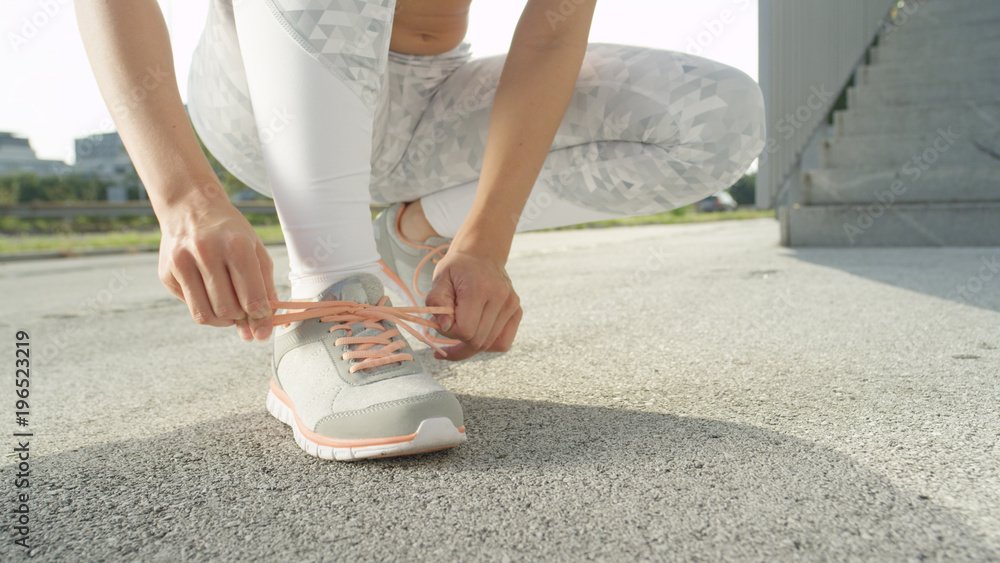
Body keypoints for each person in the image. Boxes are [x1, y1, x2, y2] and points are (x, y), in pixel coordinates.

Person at [76, 0, 765, 461]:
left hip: (428, 100)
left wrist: (481, 243)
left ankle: (411, 233)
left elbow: (554, 25)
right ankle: (332, 299)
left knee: (716, 116)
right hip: (264, 92)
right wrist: (184, 197)